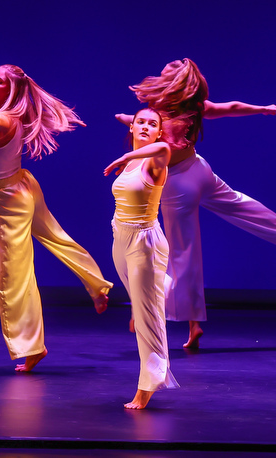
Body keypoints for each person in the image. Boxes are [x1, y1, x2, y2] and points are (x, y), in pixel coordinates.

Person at [117, 58, 276, 349]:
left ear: (173, 79)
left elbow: (148, 135)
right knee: (239, 203)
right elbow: (232, 107)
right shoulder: (195, 106)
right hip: (199, 169)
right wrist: (262, 108)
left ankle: (170, 318)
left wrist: (129, 120)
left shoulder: (157, 111)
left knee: (181, 255)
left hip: (177, 185)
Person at [0, 64, 113, 372]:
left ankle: (31, 346)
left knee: (14, 271)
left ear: (11, 89)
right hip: (22, 185)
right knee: (56, 236)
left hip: (7, 198)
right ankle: (97, 284)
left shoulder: (5, 119)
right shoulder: (11, 116)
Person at [104, 107, 178, 409]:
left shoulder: (155, 162)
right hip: (120, 239)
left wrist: (127, 156)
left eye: (153, 124)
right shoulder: (132, 165)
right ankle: (159, 287)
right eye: (141, 122)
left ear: (159, 131)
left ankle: (148, 385)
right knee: (143, 304)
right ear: (132, 128)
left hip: (144, 242)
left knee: (149, 319)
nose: (146, 127)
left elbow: (165, 147)